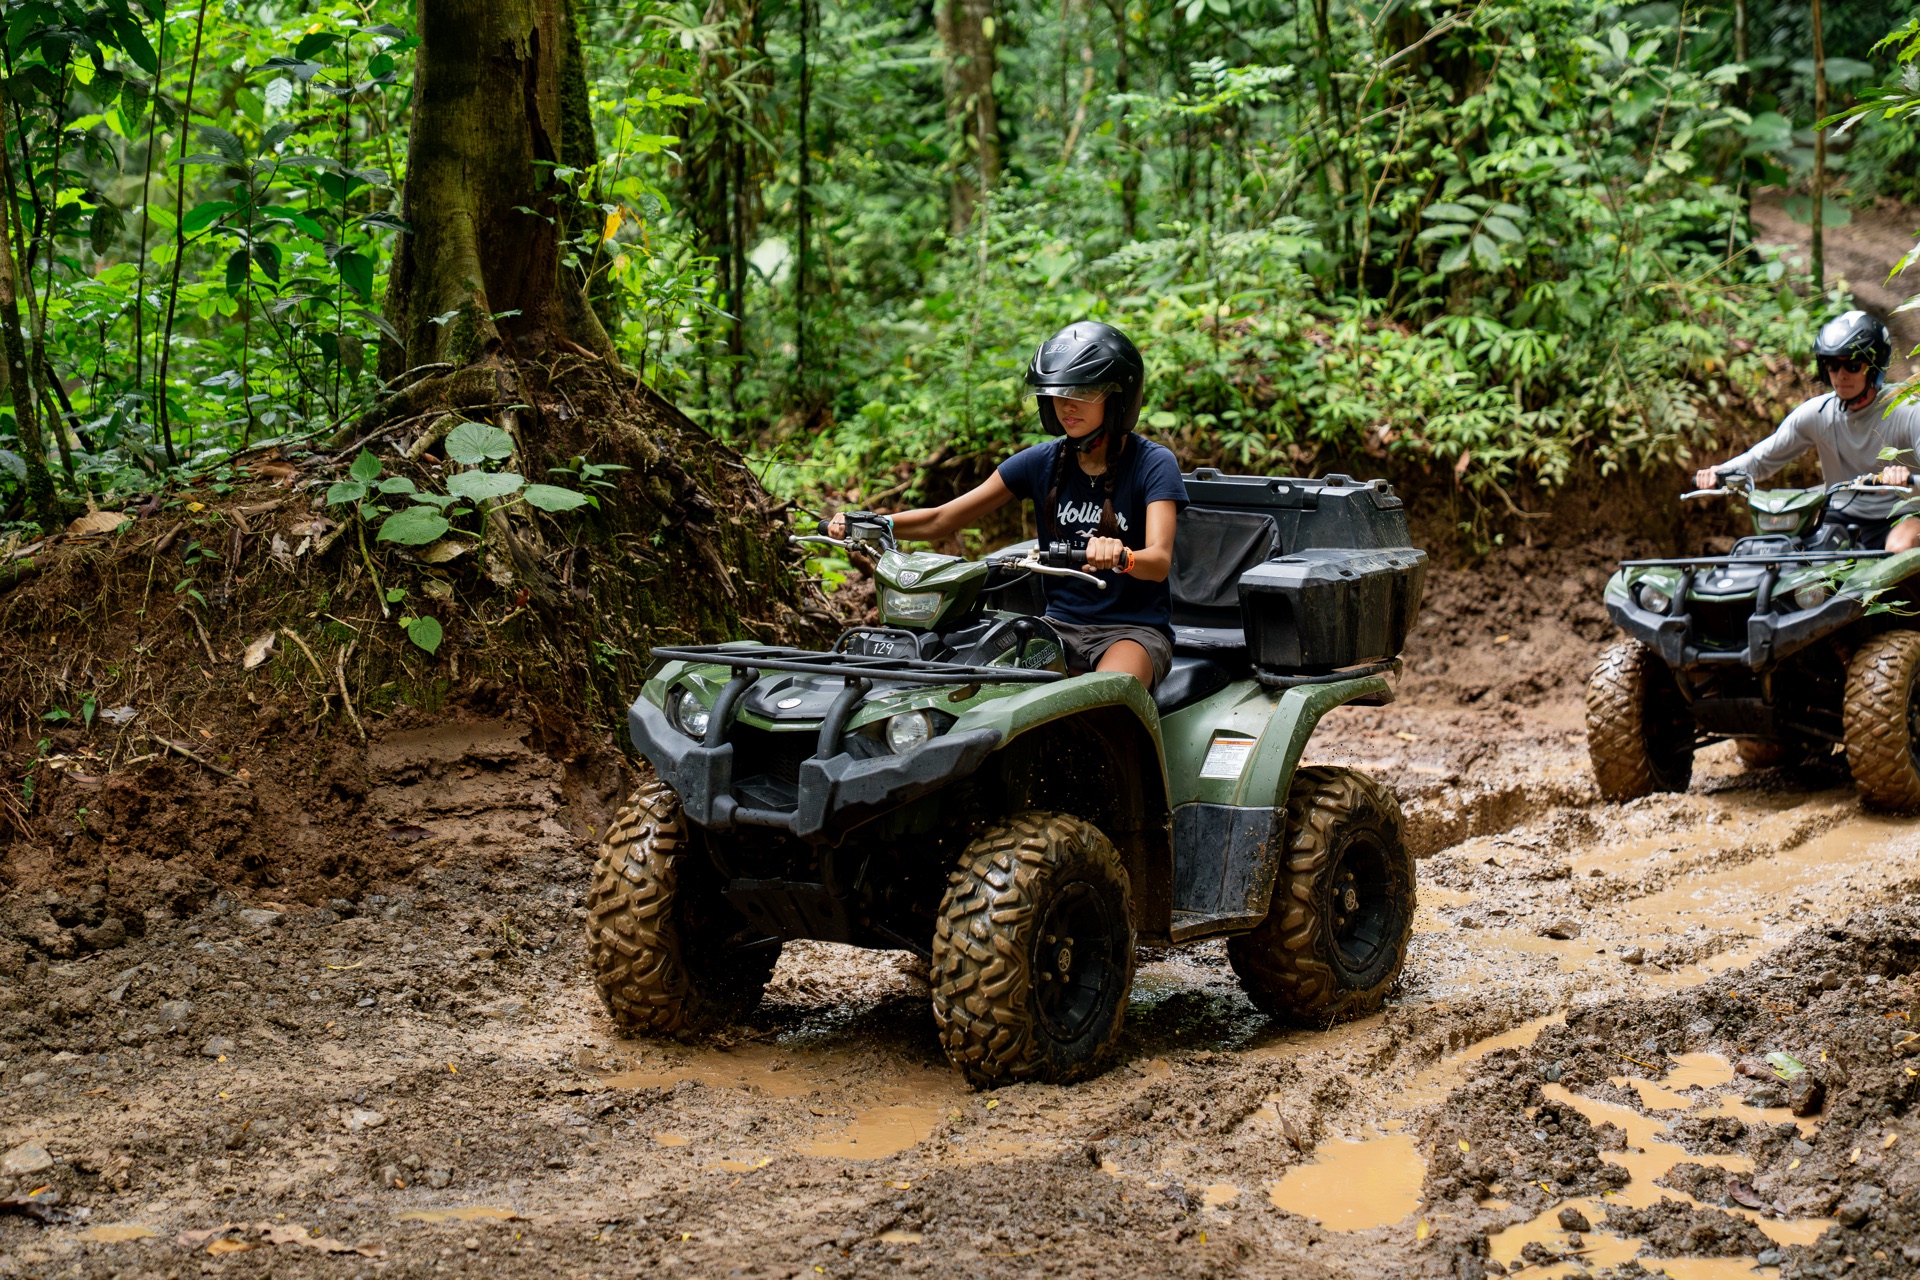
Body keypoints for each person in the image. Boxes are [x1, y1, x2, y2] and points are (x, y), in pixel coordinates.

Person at [828, 321, 1188, 688]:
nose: (1067, 404)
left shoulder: (1153, 463)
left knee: (1108, 696)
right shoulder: (1040, 462)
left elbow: (1158, 562)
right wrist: (874, 523)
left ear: (1118, 398)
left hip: (1132, 633)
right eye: (1058, 392)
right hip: (1056, 627)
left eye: (1084, 391)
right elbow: (941, 519)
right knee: (984, 688)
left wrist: (1123, 556)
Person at [1693, 310, 1920, 551]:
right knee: (1795, 555)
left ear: (1875, 367)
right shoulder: (1817, 413)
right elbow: (1763, 458)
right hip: (1840, 515)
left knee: (1901, 546)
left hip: (1904, 514)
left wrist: (1907, 479)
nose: (1841, 375)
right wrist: (1721, 472)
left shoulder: (1907, 410)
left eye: (1853, 366)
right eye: (1833, 365)